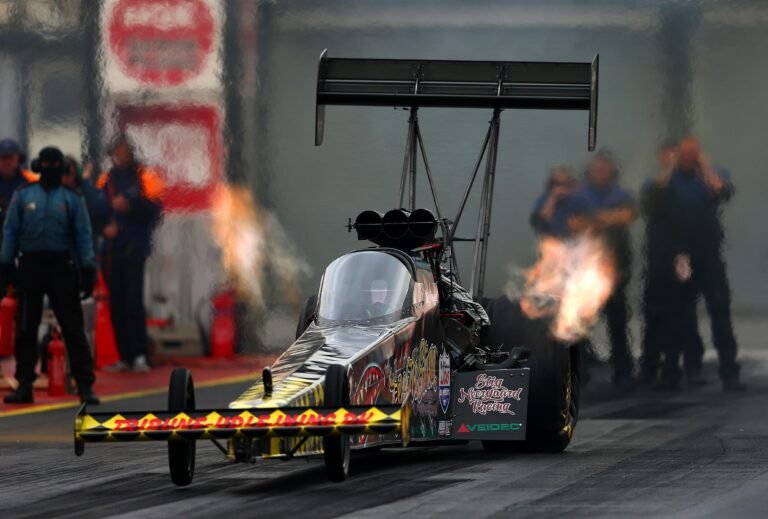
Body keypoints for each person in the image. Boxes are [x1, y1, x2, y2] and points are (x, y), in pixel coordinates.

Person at [1, 147, 98, 404]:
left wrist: (88, 268)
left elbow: (83, 234)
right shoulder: (23, 196)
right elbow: (10, 231)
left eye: (55, 164)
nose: (50, 169)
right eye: (46, 164)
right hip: (30, 265)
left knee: (72, 326)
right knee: (26, 327)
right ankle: (24, 384)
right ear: (38, 165)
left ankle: (85, 384)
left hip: (61, 267)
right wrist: (5, 264)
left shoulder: (71, 198)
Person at [660, 137, 744, 391]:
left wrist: (704, 165)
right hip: (681, 254)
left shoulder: (710, 175)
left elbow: (721, 189)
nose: (689, 158)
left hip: (708, 253)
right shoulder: (670, 179)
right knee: (682, 312)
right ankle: (690, 367)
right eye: (684, 153)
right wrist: (669, 166)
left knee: (719, 309)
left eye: (693, 153)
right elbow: (656, 195)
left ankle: (729, 371)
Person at [568, 150, 638, 389]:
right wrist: (606, 218)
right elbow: (573, 223)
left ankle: (623, 371)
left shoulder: (621, 194)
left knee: (617, 321)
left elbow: (628, 215)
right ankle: (580, 371)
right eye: (597, 170)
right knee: (581, 322)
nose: (601, 174)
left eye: (605, 170)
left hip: (615, 265)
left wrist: (594, 220)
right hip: (585, 266)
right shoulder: (579, 194)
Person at [94, 136, 164, 373]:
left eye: (123, 151)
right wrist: (104, 228)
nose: (119, 155)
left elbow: (156, 210)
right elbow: (96, 209)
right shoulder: (107, 179)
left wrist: (130, 206)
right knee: (117, 303)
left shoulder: (144, 176)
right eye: (116, 151)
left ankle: (140, 354)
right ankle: (123, 355)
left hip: (134, 247)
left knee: (133, 301)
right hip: (112, 250)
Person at [639, 143, 705, 388]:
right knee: (654, 314)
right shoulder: (656, 185)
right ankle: (651, 367)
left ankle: (675, 369)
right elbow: (651, 201)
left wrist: (684, 256)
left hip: (680, 256)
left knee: (681, 315)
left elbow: (692, 219)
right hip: (657, 259)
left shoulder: (688, 187)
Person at [530, 165, 579, 237]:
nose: (561, 187)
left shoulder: (577, 197)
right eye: (557, 184)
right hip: (552, 240)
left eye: (565, 183)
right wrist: (553, 198)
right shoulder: (544, 199)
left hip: (575, 238)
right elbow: (542, 220)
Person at [0, 139, 38, 228]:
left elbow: (36, 206)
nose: (7, 162)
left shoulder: (31, 180)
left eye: (10, 157)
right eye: (3, 157)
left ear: (19, 159)